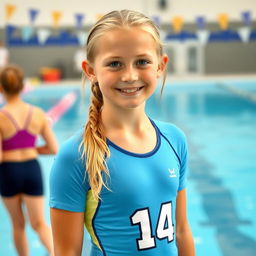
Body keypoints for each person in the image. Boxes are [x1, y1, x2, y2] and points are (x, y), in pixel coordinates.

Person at [50, 9, 195, 256]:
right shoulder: (76, 156)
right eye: (115, 64)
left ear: (160, 66)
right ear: (90, 70)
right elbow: (66, 252)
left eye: (142, 61)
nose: (129, 76)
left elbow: (181, 230)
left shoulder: (174, 139)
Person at [0, 65, 58, 256]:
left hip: (9, 172)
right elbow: (52, 148)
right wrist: (30, 149)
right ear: (23, 86)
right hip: (32, 170)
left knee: (18, 225)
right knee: (40, 223)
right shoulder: (38, 113)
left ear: (1, 88)